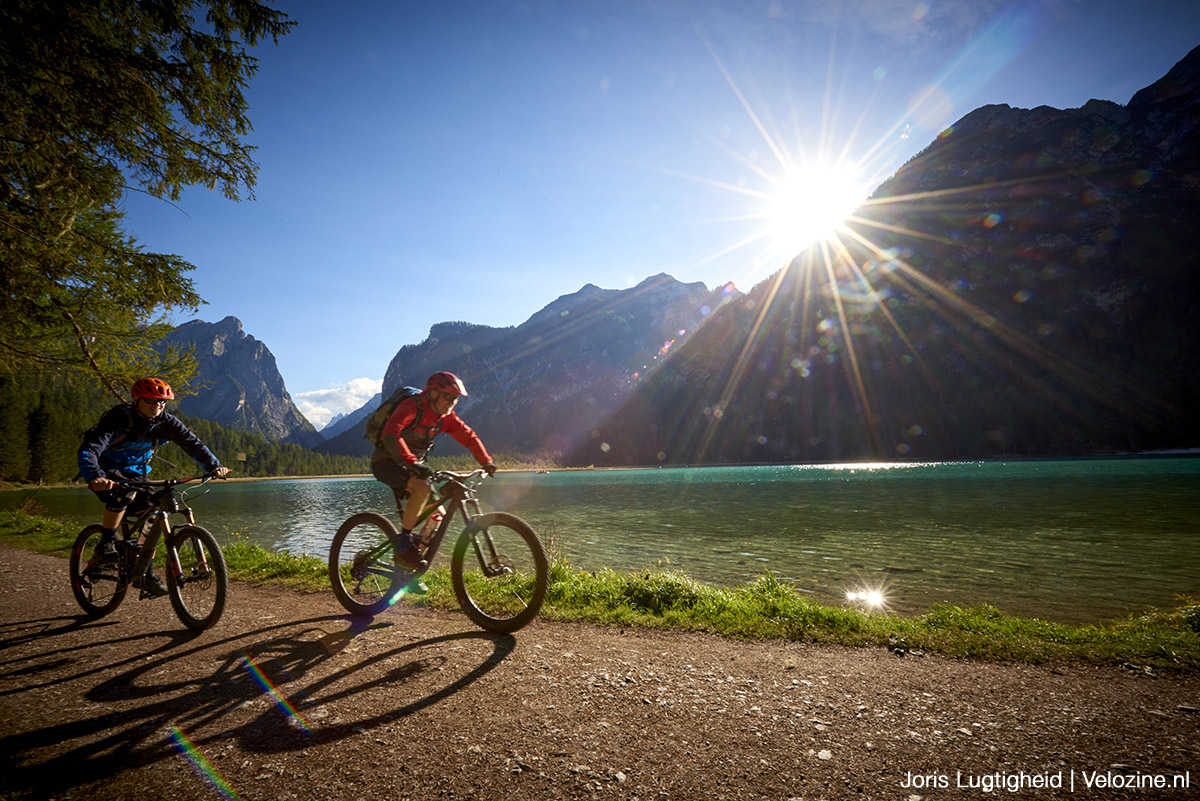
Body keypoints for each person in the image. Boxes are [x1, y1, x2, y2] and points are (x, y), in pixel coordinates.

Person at [77, 377, 231, 596]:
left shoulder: (166, 422)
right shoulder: (120, 418)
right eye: (151, 400)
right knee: (120, 497)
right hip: (107, 469)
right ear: (136, 399)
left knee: (153, 514)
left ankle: (145, 574)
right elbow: (90, 448)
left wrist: (214, 466)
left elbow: (193, 444)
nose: (157, 405)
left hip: (138, 473)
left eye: (162, 402)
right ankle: (106, 542)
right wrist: (95, 476)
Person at [371, 371, 496, 571]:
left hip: (413, 466)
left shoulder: (445, 417)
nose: (452, 403)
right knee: (421, 488)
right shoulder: (412, 406)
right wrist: (411, 462)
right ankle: (403, 545)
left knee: (438, 514)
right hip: (386, 462)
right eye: (449, 397)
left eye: (455, 399)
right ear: (434, 394)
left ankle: (408, 569)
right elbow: (391, 432)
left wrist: (485, 461)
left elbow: (468, 436)